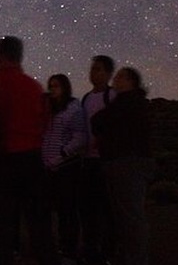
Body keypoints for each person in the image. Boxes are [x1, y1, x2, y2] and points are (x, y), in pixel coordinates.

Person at [0, 36, 49, 265]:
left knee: (2, 227)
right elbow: (43, 122)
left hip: (4, 162)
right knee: (39, 225)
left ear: (0, 56)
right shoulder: (34, 86)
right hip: (32, 160)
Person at [91, 67, 154, 265]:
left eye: (119, 77)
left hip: (127, 164)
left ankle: (136, 259)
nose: (114, 80)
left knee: (130, 216)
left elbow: (99, 120)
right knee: (126, 215)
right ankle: (130, 256)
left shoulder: (128, 104)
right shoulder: (133, 103)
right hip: (126, 163)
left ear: (129, 82)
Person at [40, 74, 87, 264]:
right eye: (50, 86)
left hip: (67, 167)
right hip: (48, 167)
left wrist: (62, 153)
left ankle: (69, 250)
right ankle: (57, 246)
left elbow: (80, 137)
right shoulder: (49, 109)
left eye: (56, 86)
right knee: (52, 210)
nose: (52, 89)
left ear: (65, 87)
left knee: (67, 210)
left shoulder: (74, 109)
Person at [80, 54, 116, 265]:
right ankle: (91, 251)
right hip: (88, 161)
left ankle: (107, 252)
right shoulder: (86, 98)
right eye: (92, 69)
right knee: (88, 209)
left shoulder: (112, 96)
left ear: (108, 73)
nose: (93, 73)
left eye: (98, 69)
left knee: (107, 209)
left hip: (106, 160)